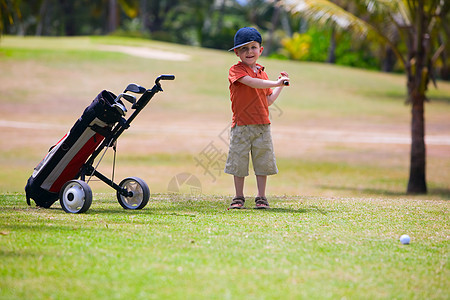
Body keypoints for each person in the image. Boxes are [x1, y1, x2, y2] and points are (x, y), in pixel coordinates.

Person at [225, 27, 289, 209]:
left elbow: (267, 100)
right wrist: (275, 82)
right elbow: (252, 83)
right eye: (244, 49)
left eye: (253, 47)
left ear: (260, 50)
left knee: (263, 161)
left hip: (262, 125)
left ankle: (261, 197)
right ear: (237, 53)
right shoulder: (236, 70)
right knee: (239, 162)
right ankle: (238, 197)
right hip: (241, 125)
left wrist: (280, 85)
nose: (249, 52)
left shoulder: (263, 73)